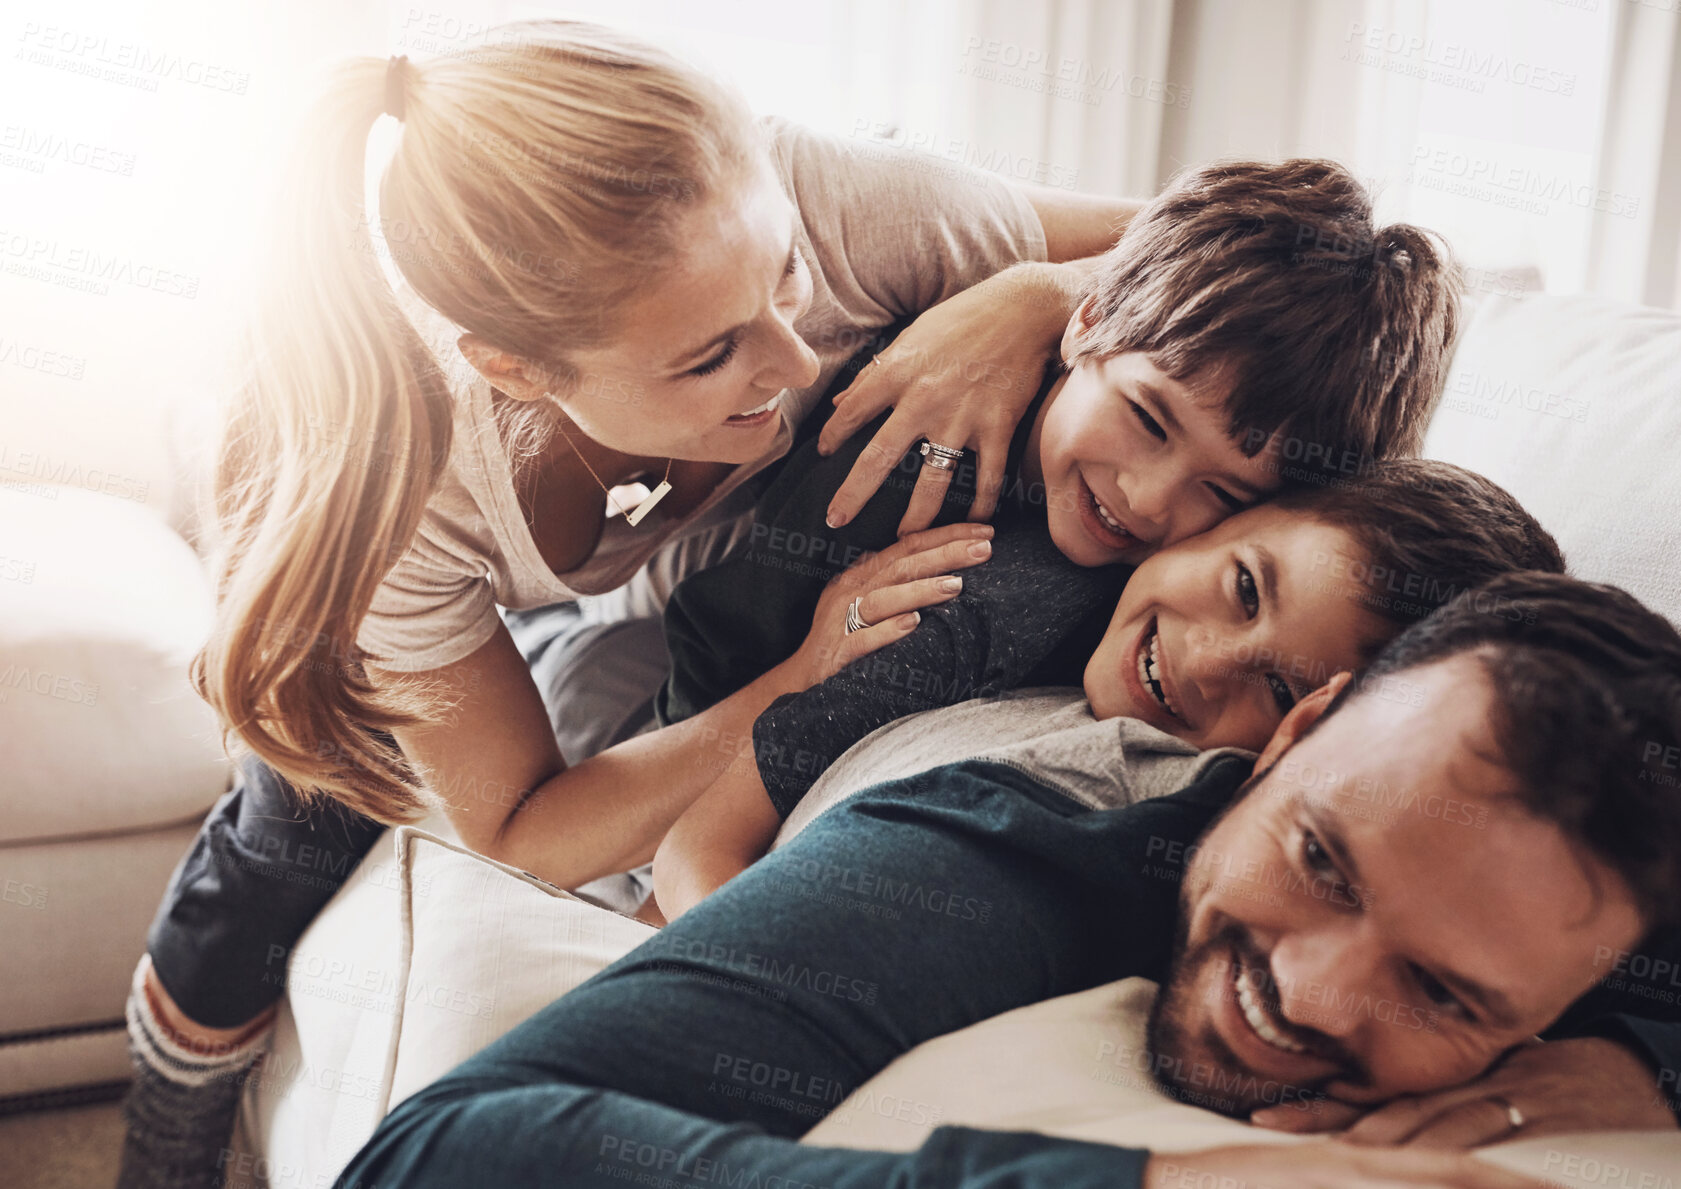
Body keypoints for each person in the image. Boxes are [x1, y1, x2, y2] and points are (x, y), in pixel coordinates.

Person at [120, 17, 1148, 1188]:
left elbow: (1209, 245)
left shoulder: (830, 201)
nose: (795, 360)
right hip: (342, 516)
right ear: (515, 366)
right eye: (712, 353)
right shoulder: (394, 499)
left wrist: (1029, 294)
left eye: (786, 282)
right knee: (298, 812)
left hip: (663, 529)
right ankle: (164, 1127)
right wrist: (802, 673)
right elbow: (525, 827)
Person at [336, 571, 1681, 1189]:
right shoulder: (988, 859)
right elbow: (432, 1154)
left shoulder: (1591, 906)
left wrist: (1644, 1061)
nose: (1310, 990)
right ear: (1298, 731)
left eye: (1442, 991)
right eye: (1320, 858)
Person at [653, 458, 1565, 917]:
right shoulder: (988, 607)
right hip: (693, 621)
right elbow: (696, 844)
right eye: (1243, 587)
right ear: (1223, 517)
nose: (1203, 662)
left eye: (1281, 693)